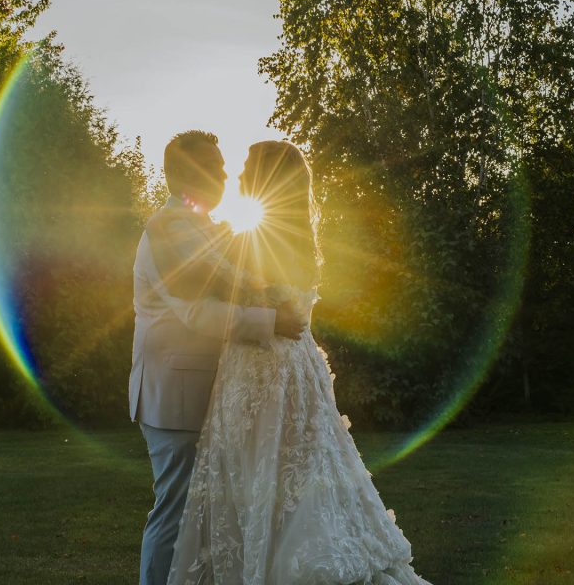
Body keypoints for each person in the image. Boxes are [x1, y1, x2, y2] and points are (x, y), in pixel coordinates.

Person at [167, 140, 432, 585]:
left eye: (250, 165)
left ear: (269, 177)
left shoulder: (253, 238)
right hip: (292, 368)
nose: (241, 173)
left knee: (269, 474)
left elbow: (225, 291)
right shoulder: (296, 236)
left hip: (264, 371)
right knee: (298, 472)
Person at [130, 131, 306, 585]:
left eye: (224, 167)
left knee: (207, 516)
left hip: (209, 388)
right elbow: (194, 312)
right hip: (176, 391)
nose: (225, 176)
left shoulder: (204, 229)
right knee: (176, 510)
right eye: (214, 167)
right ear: (181, 175)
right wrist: (270, 321)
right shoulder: (167, 230)